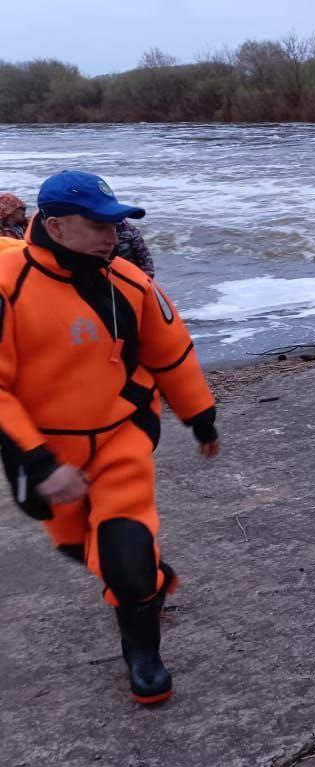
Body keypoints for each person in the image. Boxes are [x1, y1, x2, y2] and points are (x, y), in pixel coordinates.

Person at [0, 171, 220, 705]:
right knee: (78, 545)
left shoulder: (130, 281)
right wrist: (36, 458)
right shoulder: (9, 282)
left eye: (116, 220)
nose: (113, 233)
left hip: (121, 434)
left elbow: (172, 353)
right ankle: (147, 577)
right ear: (52, 224)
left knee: (125, 548)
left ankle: (143, 654)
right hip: (46, 447)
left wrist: (200, 417)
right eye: (98, 223)